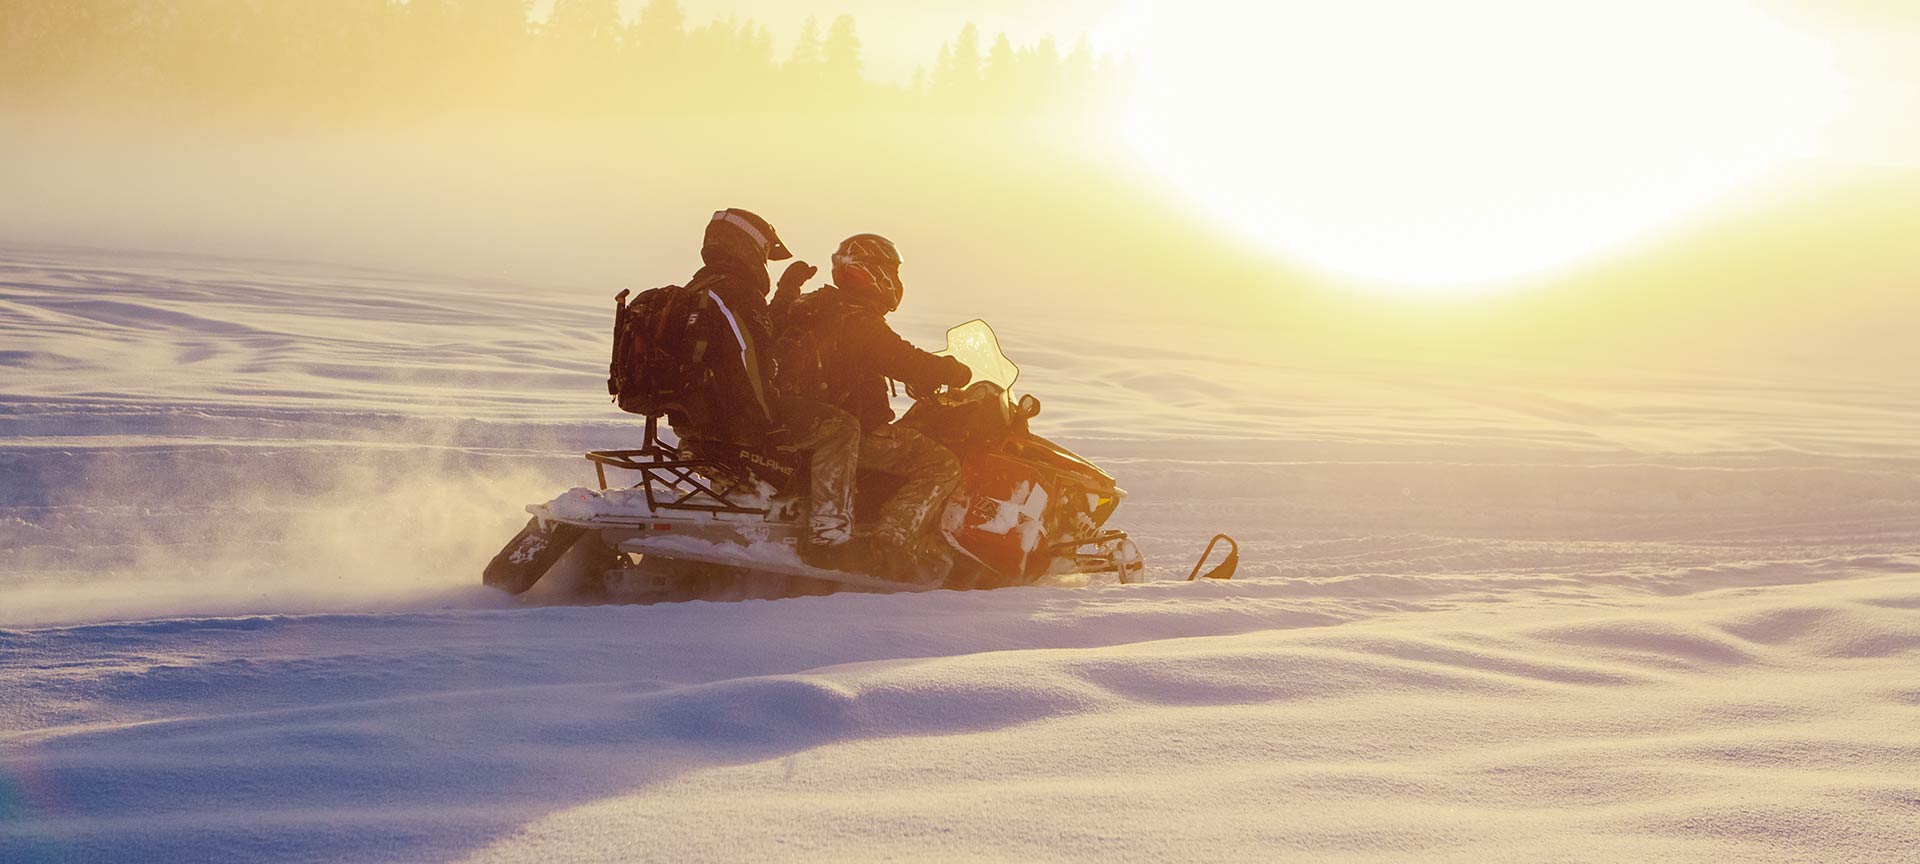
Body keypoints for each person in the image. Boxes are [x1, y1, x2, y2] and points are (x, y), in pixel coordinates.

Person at [771, 233, 972, 580]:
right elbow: (901, 357)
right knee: (942, 463)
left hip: (803, 420)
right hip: (847, 429)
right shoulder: (858, 318)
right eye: (890, 271)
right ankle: (890, 544)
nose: (895, 280)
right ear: (871, 272)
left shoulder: (814, 305)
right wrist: (952, 370)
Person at [670, 208, 863, 561]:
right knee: (844, 427)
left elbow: (761, 335)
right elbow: (750, 363)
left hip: (702, 421)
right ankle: (830, 535)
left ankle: (763, 500)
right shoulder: (735, 294)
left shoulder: (700, 289)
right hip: (735, 420)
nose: (765, 264)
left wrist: (788, 291)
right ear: (748, 247)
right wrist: (767, 422)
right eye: (764, 254)